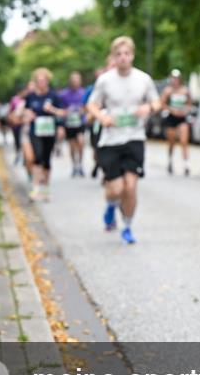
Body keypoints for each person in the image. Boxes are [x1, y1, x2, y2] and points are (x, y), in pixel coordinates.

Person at [85, 37, 160, 244]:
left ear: (132, 55)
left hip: (134, 138)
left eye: (126, 54)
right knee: (115, 189)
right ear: (113, 57)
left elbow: (157, 101)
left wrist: (149, 107)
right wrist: (102, 117)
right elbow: (92, 105)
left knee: (130, 187)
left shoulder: (143, 79)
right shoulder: (105, 80)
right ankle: (111, 206)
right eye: (118, 54)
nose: (123, 58)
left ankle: (127, 226)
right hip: (110, 141)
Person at [22, 68, 65, 201]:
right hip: (36, 130)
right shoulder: (31, 96)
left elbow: (62, 113)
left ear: (47, 81)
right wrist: (28, 115)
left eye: (44, 80)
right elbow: (25, 111)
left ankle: (45, 188)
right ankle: (35, 188)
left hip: (49, 131)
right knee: (37, 156)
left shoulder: (53, 96)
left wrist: (51, 109)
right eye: (39, 80)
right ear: (35, 82)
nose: (41, 83)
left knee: (46, 159)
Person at [158, 69, 192, 176]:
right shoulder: (168, 91)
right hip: (171, 117)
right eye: (173, 78)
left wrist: (185, 110)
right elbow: (161, 103)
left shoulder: (185, 91)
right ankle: (170, 161)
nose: (175, 80)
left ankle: (186, 165)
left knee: (184, 141)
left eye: (177, 78)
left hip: (182, 118)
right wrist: (171, 109)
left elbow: (190, 104)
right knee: (172, 142)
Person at [58, 71, 88, 177]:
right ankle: (74, 166)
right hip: (69, 123)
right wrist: (66, 111)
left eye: (77, 80)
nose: (75, 82)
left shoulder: (83, 92)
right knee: (71, 146)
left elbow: (88, 106)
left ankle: (80, 164)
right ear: (70, 81)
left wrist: (82, 110)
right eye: (73, 80)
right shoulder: (63, 94)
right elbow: (60, 109)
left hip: (80, 122)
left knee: (81, 142)